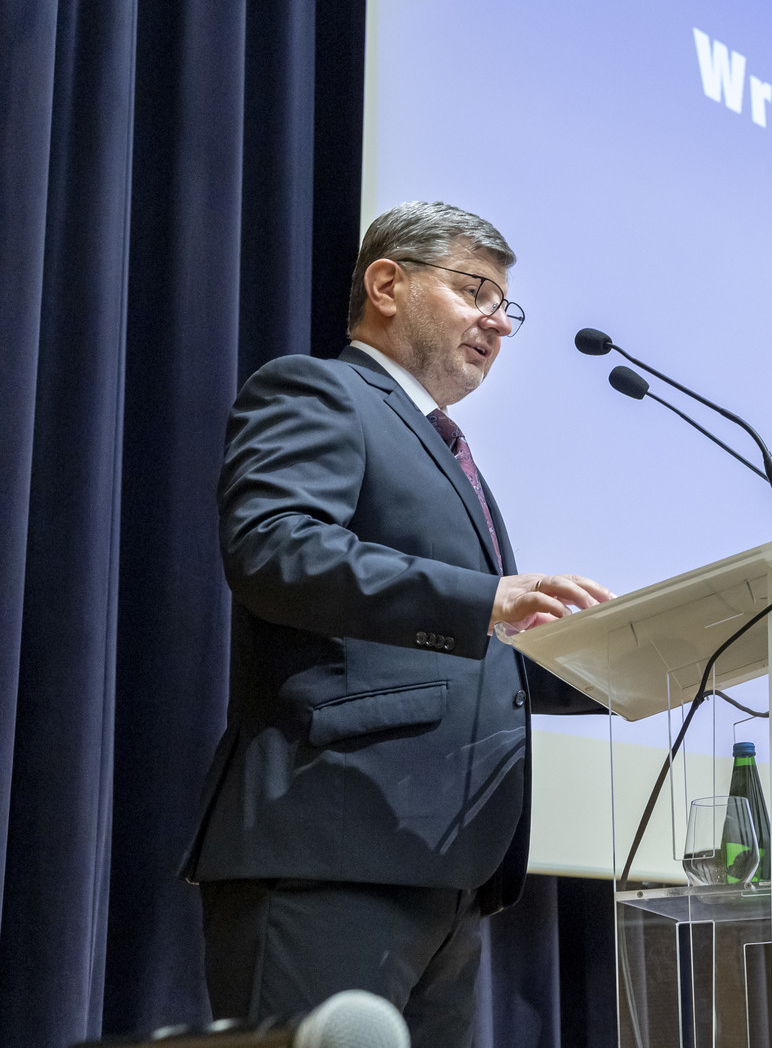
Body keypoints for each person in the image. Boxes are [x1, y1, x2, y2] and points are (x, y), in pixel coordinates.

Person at [182, 201, 612, 1046]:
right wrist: (483, 599)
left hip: (447, 873)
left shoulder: (449, 453)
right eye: (475, 291)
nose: (499, 323)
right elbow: (275, 548)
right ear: (387, 284)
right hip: (330, 851)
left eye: (506, 306)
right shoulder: (319, 391)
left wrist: (636, 664)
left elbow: (478, 649)